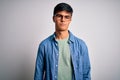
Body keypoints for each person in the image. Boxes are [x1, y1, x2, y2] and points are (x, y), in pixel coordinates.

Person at [34, 2, 91, 80]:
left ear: (70, 19)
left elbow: (86, 74)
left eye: (66, 17)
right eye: (59, 16)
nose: (63, 20)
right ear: (53, 18)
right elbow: (38, 75)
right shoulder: (44, 45)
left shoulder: (81, 45)